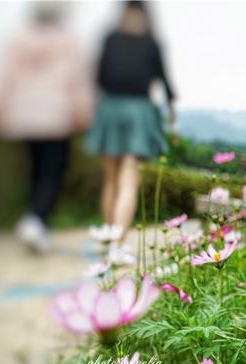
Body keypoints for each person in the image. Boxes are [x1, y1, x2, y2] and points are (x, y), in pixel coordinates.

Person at [0, 2, 93, 253]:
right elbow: (77, 80)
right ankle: (36, 219)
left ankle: (35, 221)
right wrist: (84, 113)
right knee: (53, 172)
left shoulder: (18, 36)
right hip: (55, 115)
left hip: (22, 116)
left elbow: (2, 74)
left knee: (35, 169)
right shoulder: (68, 39)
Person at [86, 0, 175, 256]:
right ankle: (117, 243)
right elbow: (165, 81)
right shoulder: (151, 42)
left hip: (110, 109)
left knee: (113, 179)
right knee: (127, 179)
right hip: (138, 111)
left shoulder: (111, 39)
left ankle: (110, 235)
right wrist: (171, 114)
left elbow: (99, 77)